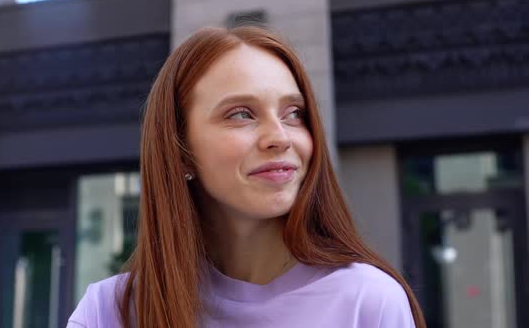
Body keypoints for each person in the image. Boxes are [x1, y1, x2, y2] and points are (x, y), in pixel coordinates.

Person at [67, 26, 426, 328]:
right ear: (179, 151)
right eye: (241, 114)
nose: (280, 137)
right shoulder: (109, 312)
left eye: (294, 113)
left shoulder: (369, 302)